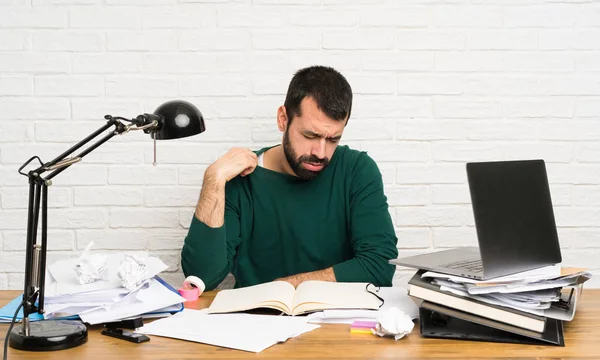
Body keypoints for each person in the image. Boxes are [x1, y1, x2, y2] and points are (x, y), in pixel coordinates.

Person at [181, 65, 398, 290]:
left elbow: (380, 266)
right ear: (283, 119)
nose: (321, 153)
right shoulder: (242, 178)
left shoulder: (358, 170)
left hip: (338, 322)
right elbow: (201, 276)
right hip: (255, 319)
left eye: (333, 139)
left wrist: (292, 284)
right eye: (310, 135)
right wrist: (214, 179)